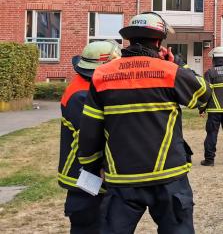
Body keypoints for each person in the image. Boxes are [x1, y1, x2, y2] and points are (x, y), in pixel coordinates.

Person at [77, 12, 210, 233]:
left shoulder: (102, 75)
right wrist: (178, 63)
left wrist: (91, 166)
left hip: (122, 178)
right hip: (168, 176)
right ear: (159, 42)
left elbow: (90, 131)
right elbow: (204, 93)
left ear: (129, 39)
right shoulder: (170, 72)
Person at [59, 41, 121, 233]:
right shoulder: (83, 95)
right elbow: (91, 139)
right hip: (84, 174)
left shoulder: (82, 85)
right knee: (90, 223)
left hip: (86, 173)